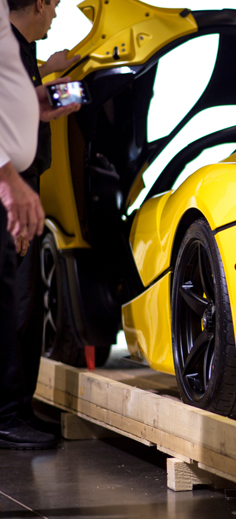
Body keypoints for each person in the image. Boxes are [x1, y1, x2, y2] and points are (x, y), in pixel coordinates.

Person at [0, 0, 79, 449]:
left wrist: (58, 79)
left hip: (19, 191)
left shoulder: (19, 50)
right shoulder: (7, 49)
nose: (56, 16)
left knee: (24, 308)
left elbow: (28, 106)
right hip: (9, 197)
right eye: (56, 6)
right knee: (14, 309)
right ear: (42, 3)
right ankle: (6, 417)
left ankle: (18, 410)